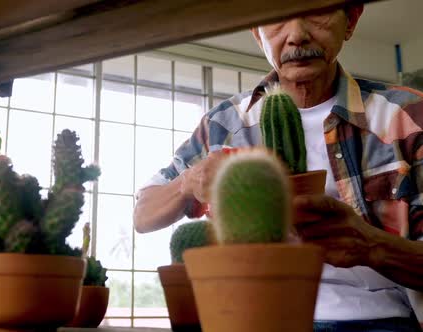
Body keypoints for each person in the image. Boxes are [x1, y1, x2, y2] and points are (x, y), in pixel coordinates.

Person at [133, 4, 423, 331]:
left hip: (379, 320)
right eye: (277, 14)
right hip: (252, 315)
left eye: (318, 10)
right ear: (256, 32)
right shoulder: (224, 123)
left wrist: (371, 246)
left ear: (351, 20)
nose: (296, 35)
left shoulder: (409, 117)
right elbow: (143, 215)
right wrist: (188, 180)